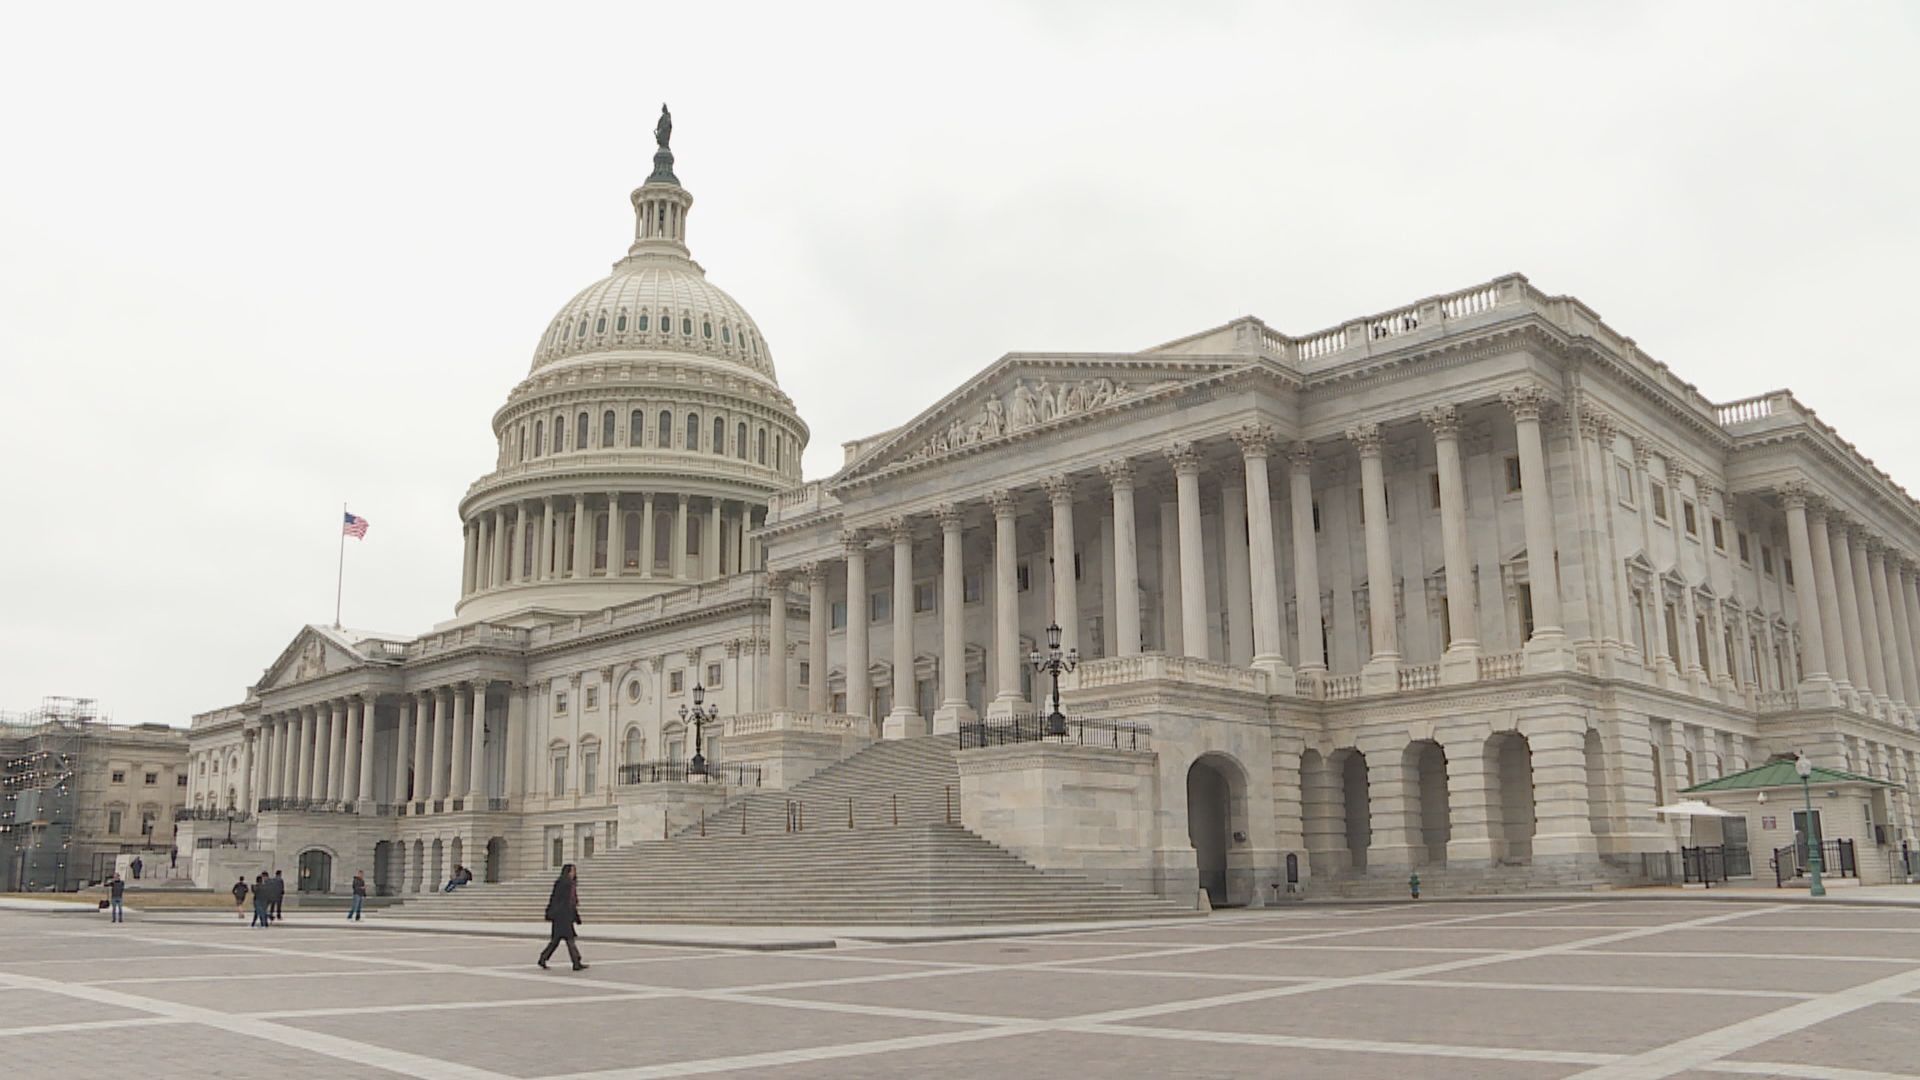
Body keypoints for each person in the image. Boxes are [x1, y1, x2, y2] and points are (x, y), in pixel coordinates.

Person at [537, 863, 587, 971]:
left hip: (563, 916)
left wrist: (575, 916)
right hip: (562, 916)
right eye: (572, 871)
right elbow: (565, 901)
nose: (574, 873)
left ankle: (543, 958)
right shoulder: (565, 884)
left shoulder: (566, 883)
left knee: (556, 940)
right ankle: (576, 961)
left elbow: (569, 902)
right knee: (569, 939)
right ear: (568, 872)